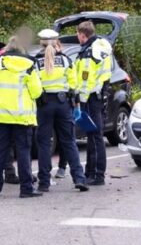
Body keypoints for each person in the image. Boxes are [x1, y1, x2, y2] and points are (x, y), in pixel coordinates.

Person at [0, 35, 43, 198]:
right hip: (22, 117)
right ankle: (26, 189)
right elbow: (36, 91)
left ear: (7, 48)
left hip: (0, 116)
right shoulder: (29, 65)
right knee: (23, 152)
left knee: (0, 151)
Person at [35, 29, 88, 192]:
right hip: (63, 103)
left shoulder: (35, 62)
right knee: (69, 141)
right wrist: (76, 102)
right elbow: (74, 84)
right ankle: (79, 179)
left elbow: (33, 86)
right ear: (57, 41)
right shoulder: (65, 60)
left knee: (44, 144)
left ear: (41, 43)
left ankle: (44, 182)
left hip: (43, 105)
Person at [75, 21, 112, 186]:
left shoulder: (89, 53)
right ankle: (91, 172)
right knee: (92, 135)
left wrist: (79, 97)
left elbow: (85, 79)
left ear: (83, 35)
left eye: (78, 35)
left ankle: (97, 174)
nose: (78, 38)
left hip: (90, 97)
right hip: (97, 95)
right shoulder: (101, 47)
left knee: (95, 136)